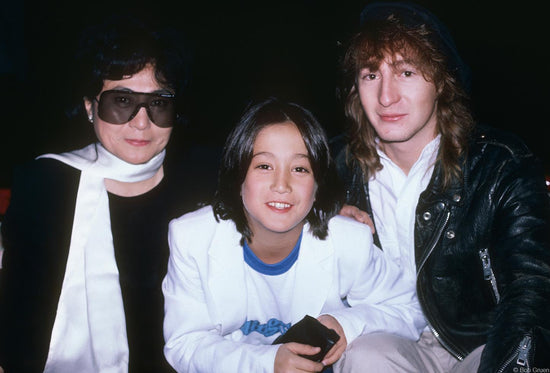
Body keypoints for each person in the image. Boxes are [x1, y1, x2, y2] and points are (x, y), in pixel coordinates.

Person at [333, 2, 550, 372]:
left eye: (406, 72)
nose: (386, 97)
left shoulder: (500, 165)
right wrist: (319, 225)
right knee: (363, 356)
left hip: (484, 343)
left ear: (441, 83)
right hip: (391, 334)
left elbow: (532, 287)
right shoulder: (332, 169)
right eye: (371, 75)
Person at [0, 15, 217, 373]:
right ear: (90, 106)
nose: (141, 121)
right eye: (122, 100)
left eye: (158, 102)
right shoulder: (46, 182)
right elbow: (19, 305)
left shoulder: (204, 183)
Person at [162, 97, 425, 373]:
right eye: (264, 166)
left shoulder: (349, 241)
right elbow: (184, 344)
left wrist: (349, 324)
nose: (282, 185)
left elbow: (410, 308)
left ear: (317, 187)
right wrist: (267, 363)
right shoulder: (192, 238)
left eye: (300, 169)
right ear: (237, 176)